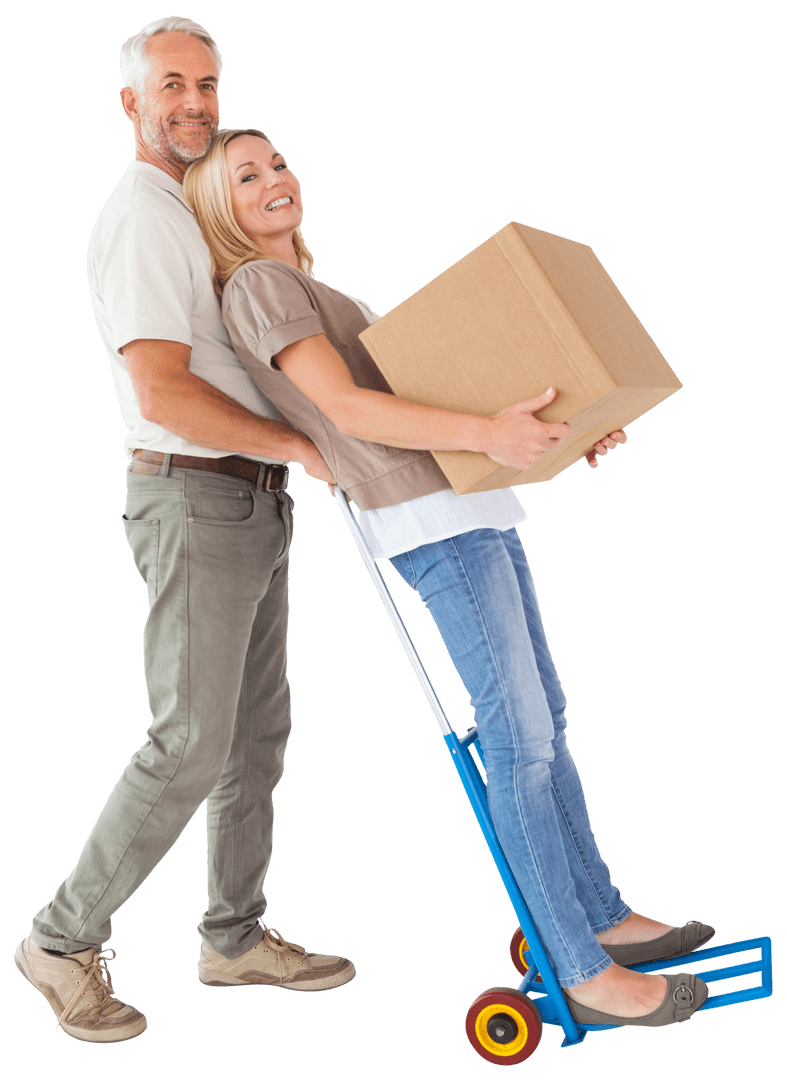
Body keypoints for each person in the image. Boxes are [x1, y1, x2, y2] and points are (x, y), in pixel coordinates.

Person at [13, 18, 588, 1045]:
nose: (194, 102)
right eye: (171, 86)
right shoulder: (144, 219)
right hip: (196, 492)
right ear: (130, 103)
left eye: (207, 84)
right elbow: (160, 392)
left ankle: (232, 936)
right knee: (189, 741)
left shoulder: (198, 217)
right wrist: (308, 449)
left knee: (254, 739)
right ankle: (61, 940)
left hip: (250, 496)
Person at [182, 127, 714, 1030]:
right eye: (246, 175)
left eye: (277, 162)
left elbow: (443, 396)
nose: (275, 178)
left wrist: (567, 430)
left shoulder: (320, 285)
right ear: (215, 208)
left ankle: (605, 918)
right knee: (519, 740)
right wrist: (491, 438)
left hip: (471, 507)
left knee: (544, 719)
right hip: (429, 521)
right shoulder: (261, 285)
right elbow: (347, 409)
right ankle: (579, 964)